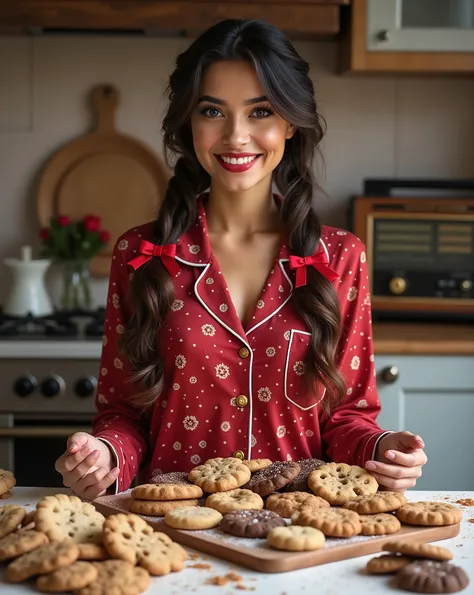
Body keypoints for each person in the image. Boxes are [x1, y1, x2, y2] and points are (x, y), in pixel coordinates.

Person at [55, 19, 427, 500]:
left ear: (290, 122)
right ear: (189, 121)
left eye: (260, 112)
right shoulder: (139, 256)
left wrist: (383, 448)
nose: (235, 135)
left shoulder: (340, 257)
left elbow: (346, 418)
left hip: (298, 531)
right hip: (173, 531)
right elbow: (123, 415)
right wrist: (104, 455)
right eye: (213, 110)